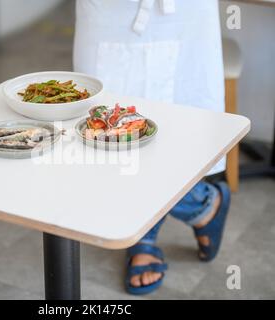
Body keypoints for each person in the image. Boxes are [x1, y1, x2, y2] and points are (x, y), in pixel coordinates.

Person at [73, 0, 231, 295]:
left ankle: (144, 237)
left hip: (184, 11)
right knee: (103, 131)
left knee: (182, 129)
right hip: (106, 10)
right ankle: (200, 203)